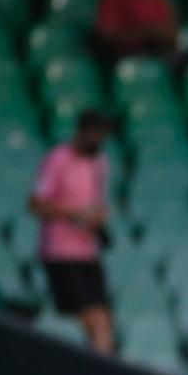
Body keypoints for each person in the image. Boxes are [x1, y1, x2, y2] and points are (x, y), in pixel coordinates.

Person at [29, 110, 113, 354]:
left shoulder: (99, 163)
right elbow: (36, 203)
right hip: (60, 252)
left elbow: (97, 201)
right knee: (90, 319)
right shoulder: (58, 159)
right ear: (83, 132)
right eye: (96, 134)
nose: (99, 140)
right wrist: (75, 214)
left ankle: (103, 371)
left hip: (87, 251)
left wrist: (97, 216)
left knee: (103, 318)